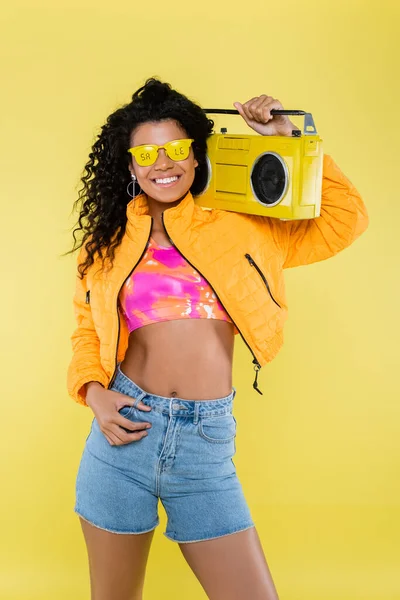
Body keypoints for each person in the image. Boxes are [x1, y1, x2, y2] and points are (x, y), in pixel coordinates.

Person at [66, 77, 369, 600]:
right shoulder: (108, 242)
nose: (163, 163)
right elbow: (85, 331)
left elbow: (345, 219)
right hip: (122, 438)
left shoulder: (243, 225)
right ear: (131, 165)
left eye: (177, 147)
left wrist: (287, 139)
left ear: (197, 152)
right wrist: (93, 394)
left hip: (204, 444)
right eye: (146, 151)